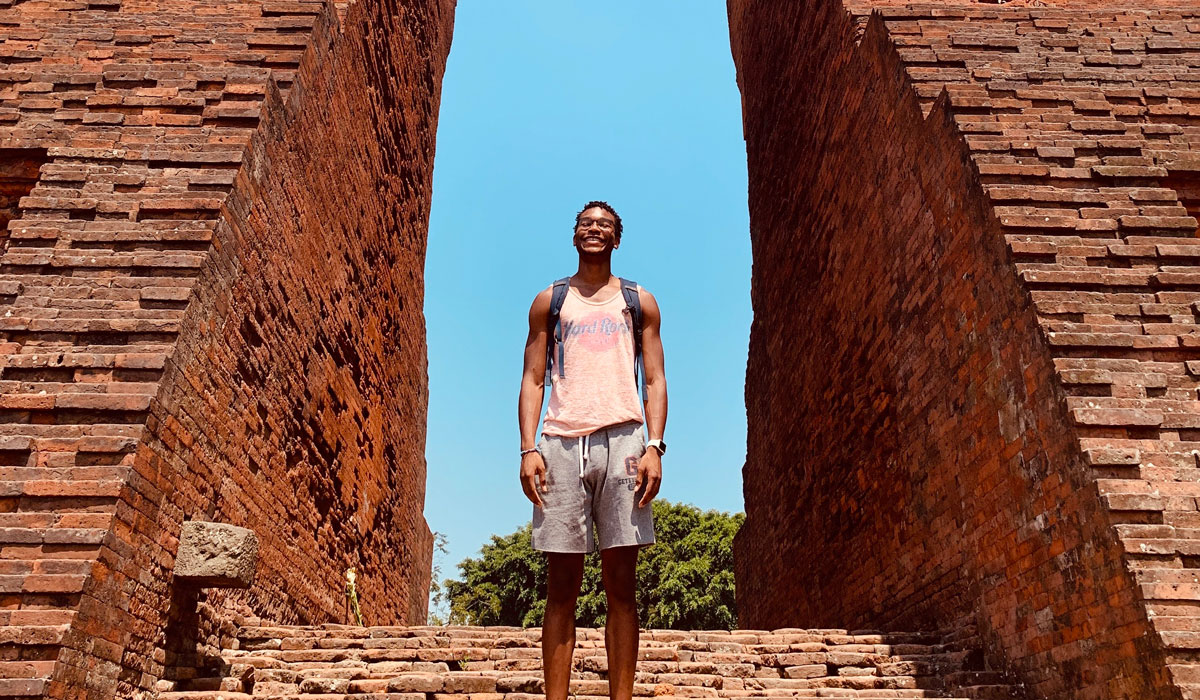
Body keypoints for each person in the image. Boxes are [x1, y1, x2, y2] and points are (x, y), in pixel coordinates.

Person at [517, 200, 667, 700]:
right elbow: (533, 377)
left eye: (604, 224)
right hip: (561, 443)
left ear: (617, 238)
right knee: (562, 586)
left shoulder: (637, 300)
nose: (594, 230)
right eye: (586, 224)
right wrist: (527, 448)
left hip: (624, 440)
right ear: (575, 235)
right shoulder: (550, 300)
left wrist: (654, 445)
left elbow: (656, 378)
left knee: (621, 584)